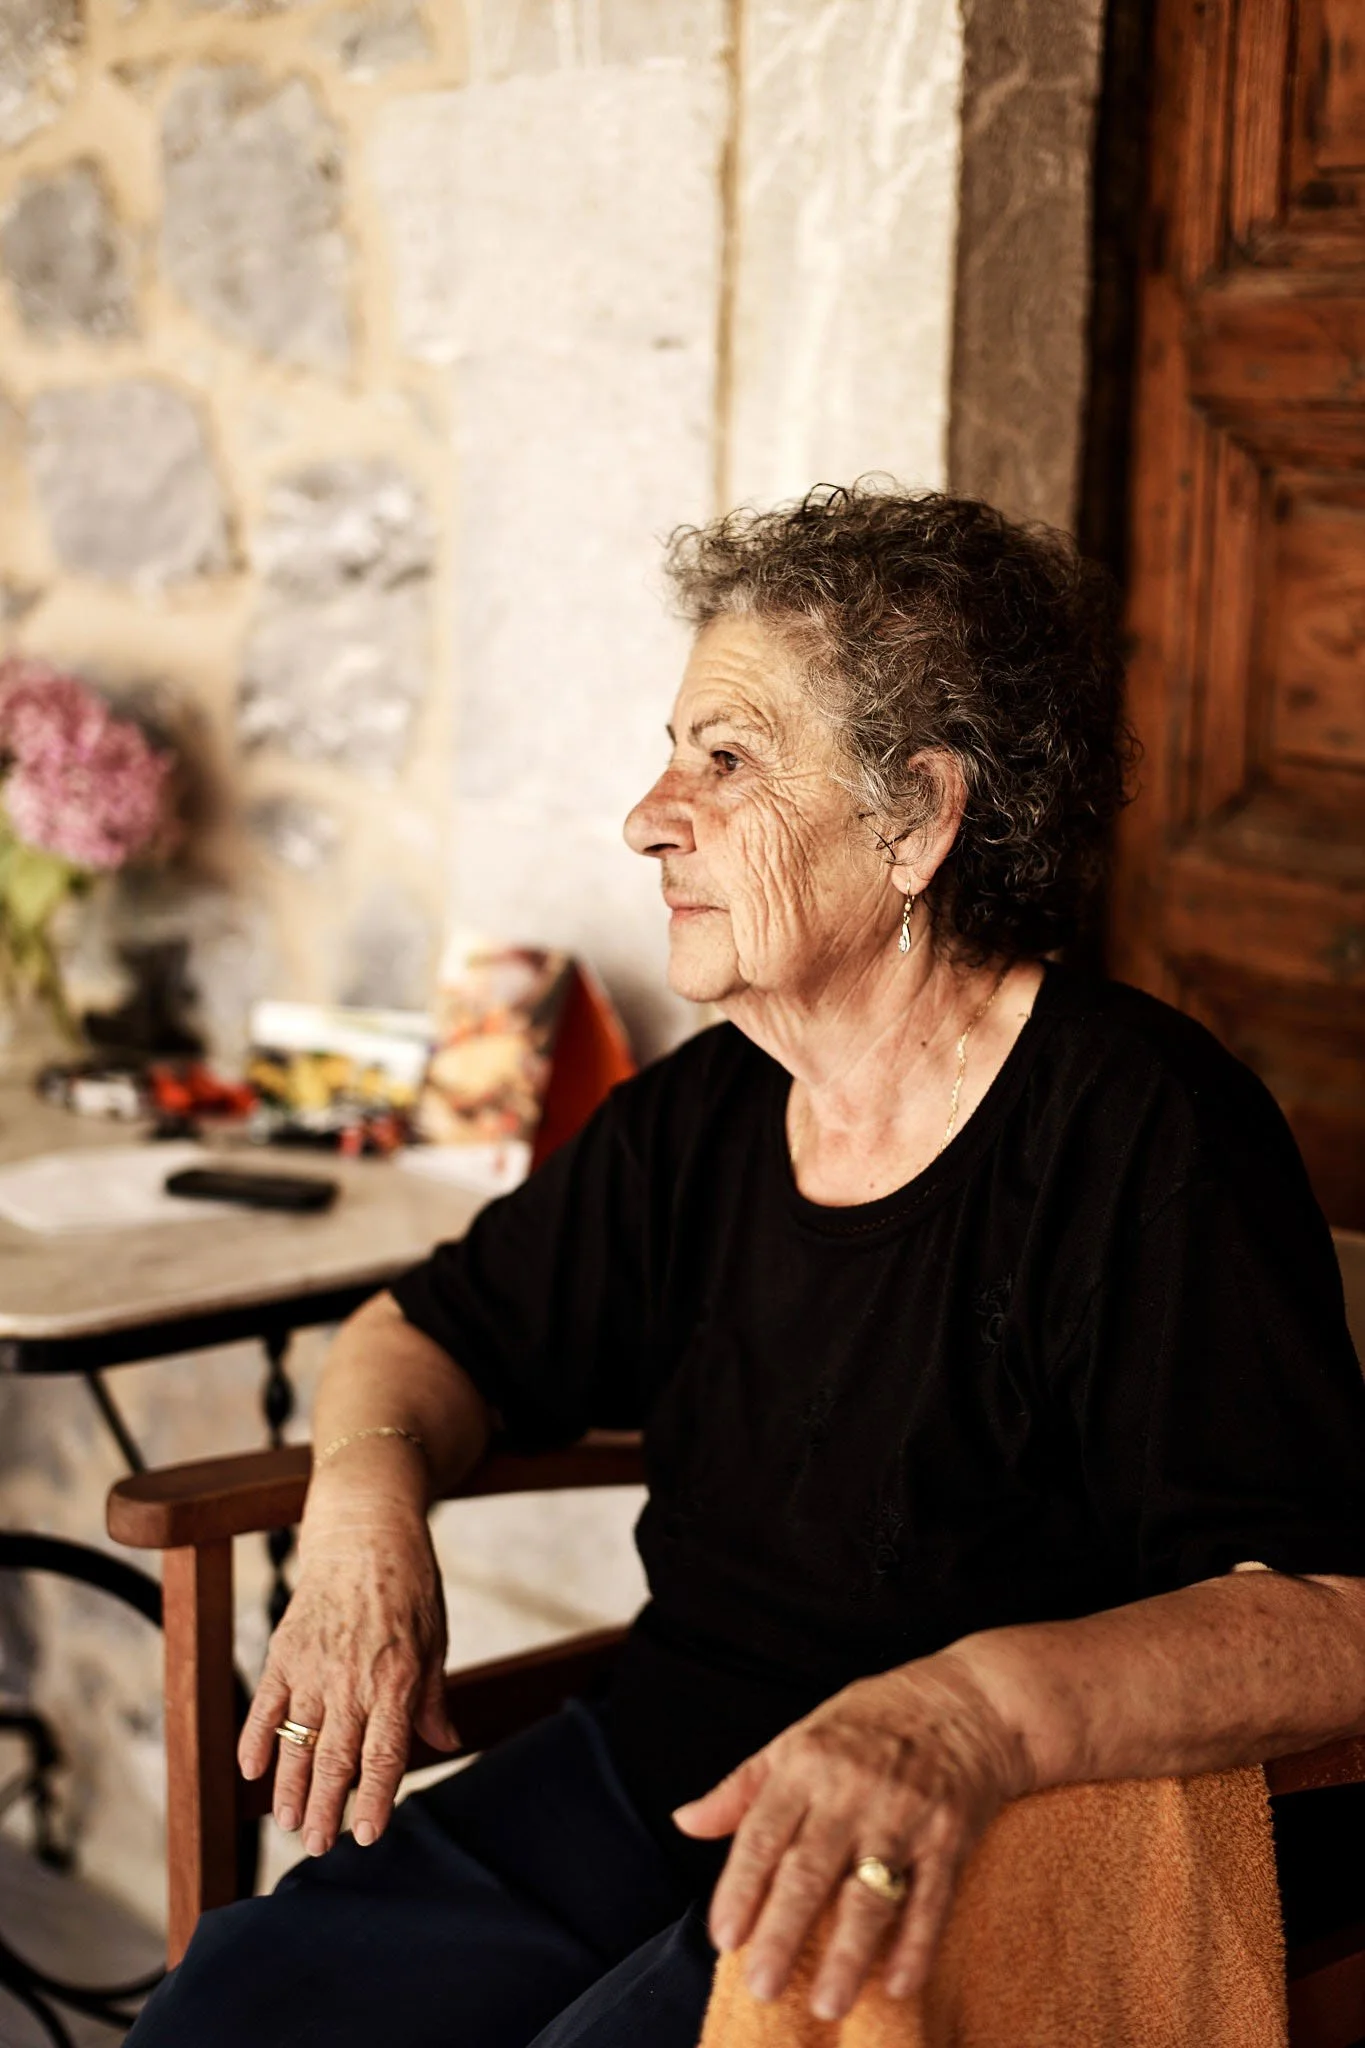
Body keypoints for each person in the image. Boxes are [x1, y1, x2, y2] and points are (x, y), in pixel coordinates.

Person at [129, 488, 1365, 2048]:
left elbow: (1331, 1619)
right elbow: (421, 1334)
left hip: (983, 1825)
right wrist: (363, 1521)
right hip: (667, 1765)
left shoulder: (1143, 1129)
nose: (651, 813)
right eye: (673, 752)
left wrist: (966, 1714)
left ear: (918, 818)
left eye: (726, 760)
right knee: (230, 2017)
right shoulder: (705, 1113)